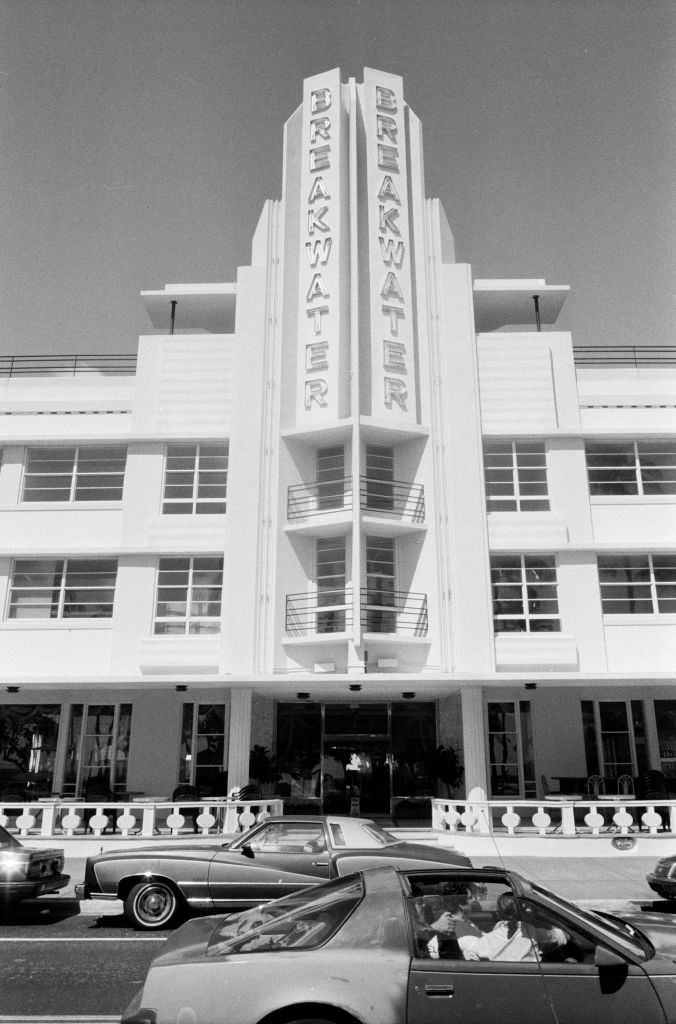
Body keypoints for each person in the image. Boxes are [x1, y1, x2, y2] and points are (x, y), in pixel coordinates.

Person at [459, 892, 567, 963]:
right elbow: (559, 936)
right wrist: (545, 923)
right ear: (522, 911)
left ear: (499, 913)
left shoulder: (489, 939)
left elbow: (470, 954)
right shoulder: (530, 931)